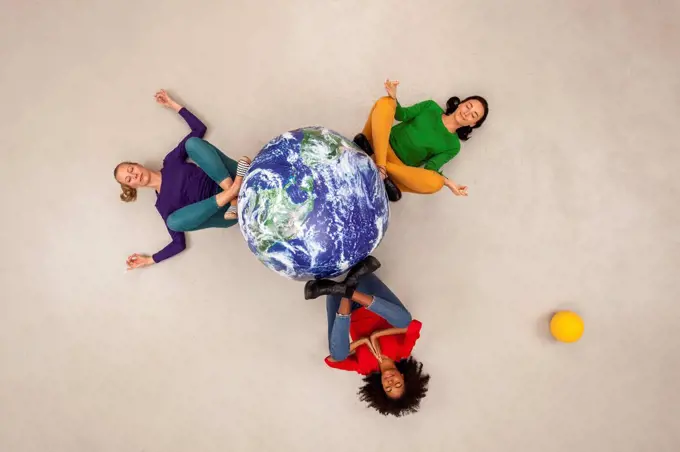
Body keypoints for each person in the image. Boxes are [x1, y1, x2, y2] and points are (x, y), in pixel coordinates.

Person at [114, 90, 250, 270]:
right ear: (133, 186)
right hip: (226, 212)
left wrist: (173, 104)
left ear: (137, 164)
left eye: (131, 170)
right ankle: (232, 195)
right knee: (174, 222)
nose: (134, 175)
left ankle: (232, 192)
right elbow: (179, 243)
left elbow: (199, 130)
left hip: (230, 176)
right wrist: (149, 260)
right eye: (129, 179)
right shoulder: (162, 205)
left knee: (191, 144)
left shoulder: (170, 162)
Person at [305, 259, 430, 417]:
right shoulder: (402, 351)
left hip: (343, 305)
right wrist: (376, 335)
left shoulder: (365, 368)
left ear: (381, 386)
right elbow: (414, 326)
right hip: (366, 289)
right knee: (404, 319)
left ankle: (344, 290)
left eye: (388, 387)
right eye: (397, 383)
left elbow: (331, 361)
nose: (391, 382)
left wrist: (363, 341)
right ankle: (345, 288)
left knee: (339, 354)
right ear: (403, 377)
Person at [354, 79, 489, 201]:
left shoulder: (453, 146)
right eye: (468, 106)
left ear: (473, 124)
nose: (467, 113)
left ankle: (379, 166)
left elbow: (431, 169)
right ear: (460, 104)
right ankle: (380, 166)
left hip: (398, 167)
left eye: (473, 115)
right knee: (386, 102)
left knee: (436, 183)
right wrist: (394, 98)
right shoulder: (430, 107)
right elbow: (402, 114)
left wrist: (447, 182)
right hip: (380, 143)